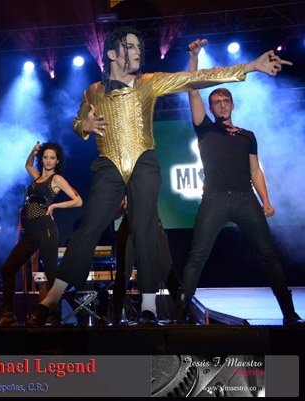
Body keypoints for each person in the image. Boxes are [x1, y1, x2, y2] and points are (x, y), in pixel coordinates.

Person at [26, 26, 291, 326]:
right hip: (109, 164)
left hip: (144, 162)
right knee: (89, 227)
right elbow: (77, 122)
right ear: (112, 54)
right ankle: (52, 298)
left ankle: (149, 306)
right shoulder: (93, 91)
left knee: (145, 229)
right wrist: (83, 127)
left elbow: (195, 79)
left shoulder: (149, 83)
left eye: (139, 46)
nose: (138, 51)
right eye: (130, 46)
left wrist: (251, 66)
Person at [177, 39, 302, 325]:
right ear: (211, 108)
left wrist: (266, 201)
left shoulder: (247, 135)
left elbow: (255, 171)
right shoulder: (205, 129)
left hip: (246, 198)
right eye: (216, 102)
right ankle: (181, 315)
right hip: (215, 199)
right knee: (197, 256)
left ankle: (289, 313)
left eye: (225, 101)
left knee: (268, 255)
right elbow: (192, 89)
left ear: (232, 105)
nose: (221, 105)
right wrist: (194, 58)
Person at [0, 142, 82, 326]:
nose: (48, 160)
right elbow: (28, 165)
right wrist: (32, 152)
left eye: (52, 158)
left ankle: (54, 315)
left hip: (46, 230)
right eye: (45, 157)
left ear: (57, 161)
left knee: (51, 274)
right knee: (7, 269)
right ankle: (8, 314)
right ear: (42, 159)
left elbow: (78, 201)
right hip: (30, 233)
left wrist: (54, 205)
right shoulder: (36, 177)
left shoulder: (56, 179)